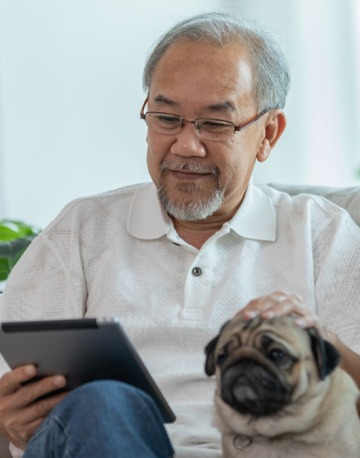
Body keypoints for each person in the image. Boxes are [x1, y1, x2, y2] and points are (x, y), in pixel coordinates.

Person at [0, 11, 360, 458]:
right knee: (103, 403)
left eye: (215, 124)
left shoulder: (322, 235)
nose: (186, 146)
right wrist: (10, 419)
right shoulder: (80, 231)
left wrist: (320, 338)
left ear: (268, 133)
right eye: (166, 118)